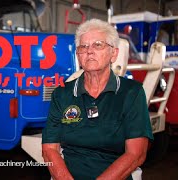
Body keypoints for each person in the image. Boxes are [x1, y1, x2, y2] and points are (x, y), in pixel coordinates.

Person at [42, 19, 154, 180]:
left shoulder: (131, 92)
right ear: (78, 55)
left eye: (98, 45)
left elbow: (136, 154)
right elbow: (49, 150)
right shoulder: (62, 94)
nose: (89, 51)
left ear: (113, 54)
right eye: (83, 46)